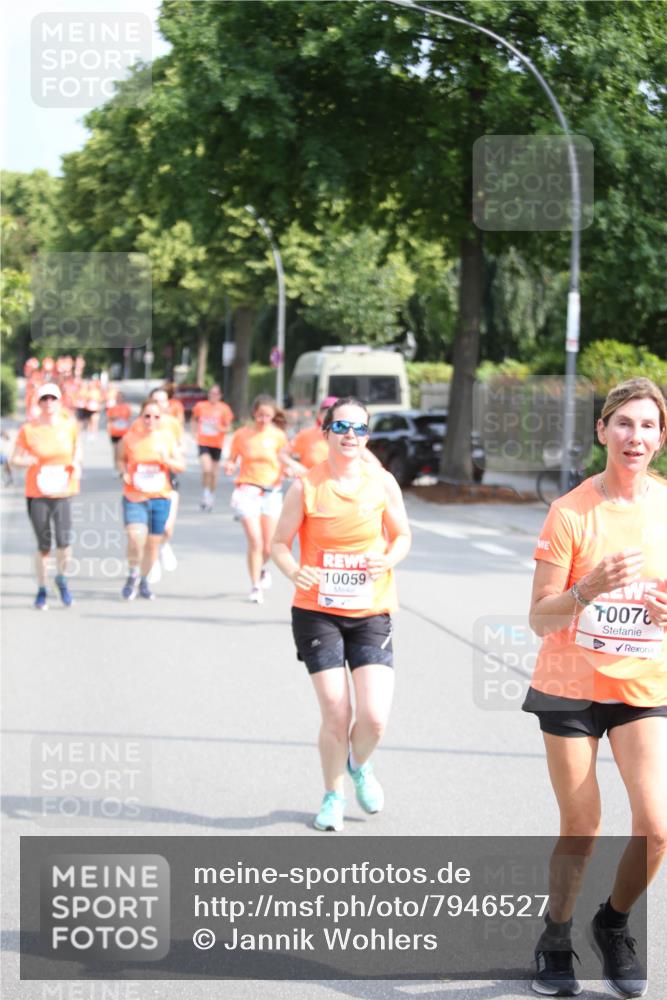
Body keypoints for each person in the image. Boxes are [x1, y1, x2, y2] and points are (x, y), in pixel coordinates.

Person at [523, 377, 667, 999]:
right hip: (570, 683)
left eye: (648, 425)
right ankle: (555, 934)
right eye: (625, 423)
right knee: (583, 824)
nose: (636, 436)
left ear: (661, 438)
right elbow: (539, 617)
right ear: (603, 431)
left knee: (657, 827)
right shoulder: (572, 511)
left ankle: (612, 923)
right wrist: (588, 590)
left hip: (641, 682)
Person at [271, 397, 411, 831]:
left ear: (367, 436)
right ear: (326, 431)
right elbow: (279, 543)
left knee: (373, 717)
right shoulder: (306, 485)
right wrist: (296, 571)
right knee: (336, 711)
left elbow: (402, 535)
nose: (351, 435)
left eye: (360, 429)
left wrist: (387, 560)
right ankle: (333, 795)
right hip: (318, 611)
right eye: (342, 427)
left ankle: (358, 764)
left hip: (371, 610)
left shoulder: (382, 482)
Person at [10, 382, 81, 609]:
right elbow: (14, 459)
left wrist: (77, 463)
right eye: (44, 399)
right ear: (38, 403)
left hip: (63, 490)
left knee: (64, 542)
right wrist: (25, 461)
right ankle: (41, 588)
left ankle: (61, 579)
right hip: (37, 492)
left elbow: (77, 449)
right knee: (44, 545)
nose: (49, 403)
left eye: (53, 399)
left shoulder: (69, 426)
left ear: (60, 402)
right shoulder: (29, 430)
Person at [224, 394, 293, 603]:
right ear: (254, 413)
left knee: (268, 546)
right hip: (248, 490)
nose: (263, 419)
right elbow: (232, 459)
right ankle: (255, 586)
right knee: (255, 540)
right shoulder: (242, 435)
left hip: (272, 492)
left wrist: (287, 469)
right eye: (260, 415)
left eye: (268, 416)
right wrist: (229, 465)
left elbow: (284, 460)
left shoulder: (279, 436)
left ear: (273, 416)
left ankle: (262, 568)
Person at [116, 398, 185, 601]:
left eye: (156, 416)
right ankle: (132, 575)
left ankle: (144, 581)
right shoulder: (130, 438)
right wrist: (123, 473)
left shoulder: (167, 438)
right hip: (134, 495)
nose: (151, 420)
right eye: (147, 416)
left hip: (160, 497)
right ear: (141, 417)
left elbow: (180, 466)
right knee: (135, 538)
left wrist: (167, 459)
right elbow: (120, 459)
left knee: (152, 545)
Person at [130, 386, 185, 580]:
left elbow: (180, 448)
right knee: (146, 529)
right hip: (145, 482)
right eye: (156, 400)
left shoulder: (172, 425)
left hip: (168, 477)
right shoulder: (140, 425)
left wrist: (169, 455)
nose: (159, 404)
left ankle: (163, 545)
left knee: (167, 527)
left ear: (167, 405)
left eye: (163, 401)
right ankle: (151, 562)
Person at [192, 385, 234, 511]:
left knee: (214, 474)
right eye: (211, 393)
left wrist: (220, 429)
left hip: (217, 443)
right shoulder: (201, 406)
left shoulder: (224, 409)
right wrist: (194, 433)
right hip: (203, 442)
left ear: (220, 395)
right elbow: (194, 419)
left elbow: (229, 427)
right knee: (206, 469)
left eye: (216, 394)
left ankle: (211, 495)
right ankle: (205, 494)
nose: (213, 396)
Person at [284, 396, 338, 474]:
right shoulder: (306, 434)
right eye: (327, 414)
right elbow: (283, 454)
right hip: (309, 483)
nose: (330, 419)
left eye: (334, 415)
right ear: (319, 415)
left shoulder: (345, 438)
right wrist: (297, 467)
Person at [105, 389, 133, 465]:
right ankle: (117, 466)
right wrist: (114, 418)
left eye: (121, 397)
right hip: (114, 432)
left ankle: (123, 466)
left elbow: (129, 419)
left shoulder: (127, 407)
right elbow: (108, 419)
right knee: (116, 451)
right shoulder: (112, 407)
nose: (119, 398)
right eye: (118, 397)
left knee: (124, 452)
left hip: (124, 433)